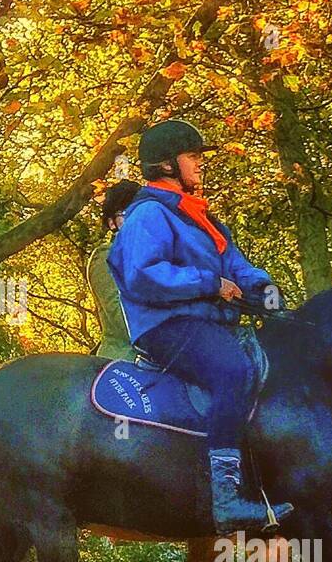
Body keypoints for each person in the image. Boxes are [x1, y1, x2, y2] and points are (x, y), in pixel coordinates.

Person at [107, 119, 293, 533]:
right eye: (193, 157)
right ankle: (225, 501)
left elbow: (235, 265)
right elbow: (142, 274)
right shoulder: (148, 214)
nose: (200, 165)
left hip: (208, 323)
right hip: (168, 325)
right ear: (167, 165)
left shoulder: (201, 218)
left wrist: (261, 287)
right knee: (234, 370)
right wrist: (210, 283)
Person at [87, 180, 141, 362]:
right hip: (125, 359)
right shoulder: (105, 257)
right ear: (111, 223)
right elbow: (121, 319)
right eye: (127, 214)